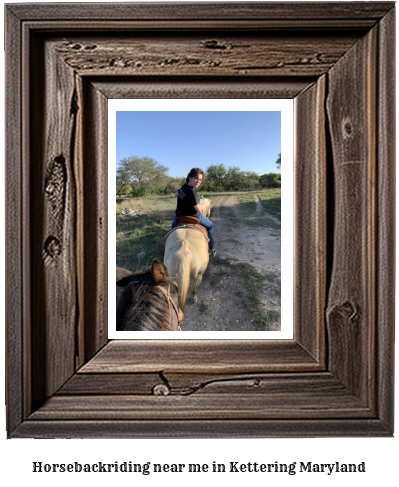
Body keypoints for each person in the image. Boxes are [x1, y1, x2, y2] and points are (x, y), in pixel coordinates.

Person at [172, 168, 216, 257]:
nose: (198, 181)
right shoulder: (192, 192)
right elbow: (199, 210)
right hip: (194, 216)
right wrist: (200, 202)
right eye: (196, 178)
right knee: (210, 226)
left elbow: (176, 194)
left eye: (200, 179)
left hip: (179, 216)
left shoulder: (184, 187)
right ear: (189, 177)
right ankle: (212, 249)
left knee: (173, 228)